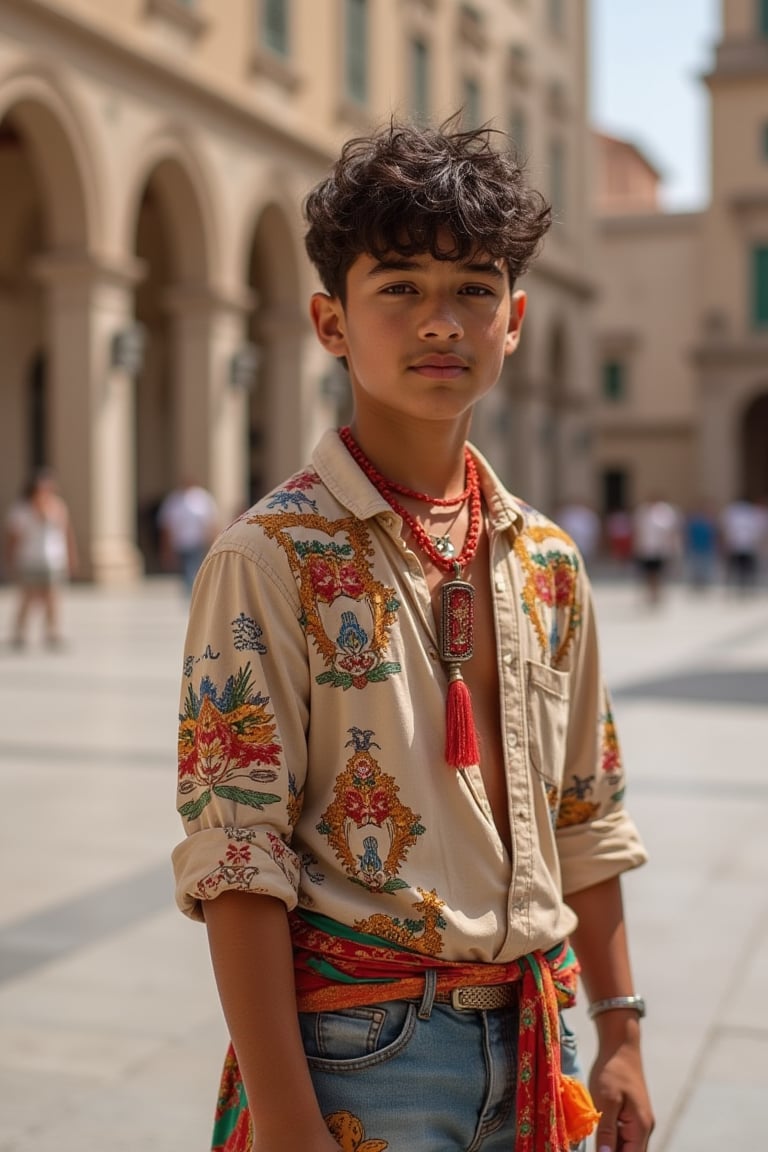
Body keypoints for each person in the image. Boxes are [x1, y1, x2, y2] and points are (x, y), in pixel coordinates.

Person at [172, 119, 654, 1152]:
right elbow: (237, 859)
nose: (441, 321)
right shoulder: (268, 560)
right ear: (331, 320)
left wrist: (619, 1031)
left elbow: (588, 814)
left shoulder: (549, 564)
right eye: (398, 286)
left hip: (535, 1038)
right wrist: (291, 1124)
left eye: (473, 288)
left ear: (514, 318)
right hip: (360, 1052)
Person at [4, 468, 78, 649]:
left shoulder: (58, 506)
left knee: (52, 597)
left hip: (53, 559)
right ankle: (20, 632)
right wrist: (9, 560)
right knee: (28, 597)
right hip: (30, 559)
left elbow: (67, 533)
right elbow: (13, 539)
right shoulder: (21, 510)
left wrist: (71, 556)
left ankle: (52, 632)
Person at [157, 478, 219, 594]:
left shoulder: (202, 498)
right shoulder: (174, 500)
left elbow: (211, 521)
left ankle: (193, 591)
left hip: (198, 542)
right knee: (187, 569)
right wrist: (166, 548)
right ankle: (191, 592)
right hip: (181, 542)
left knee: (194, 568)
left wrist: (213, 541)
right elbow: (167, 524)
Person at [632, 496, 682, 605]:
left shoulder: (665, 514)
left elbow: (671, 532)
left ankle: (657, 594)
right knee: (648, 573)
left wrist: (672, 548)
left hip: (660, 550)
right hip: (646, 550)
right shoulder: (643, 513)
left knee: (659, 573)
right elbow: (639, 531)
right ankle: (650, 594)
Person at [720, 497, 767, 593]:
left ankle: (741, 588)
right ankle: (739, 588)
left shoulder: (736, 512)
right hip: (740, 546)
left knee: (743, 570)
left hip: (742, 546)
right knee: (740, 570)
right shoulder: (751, 513)